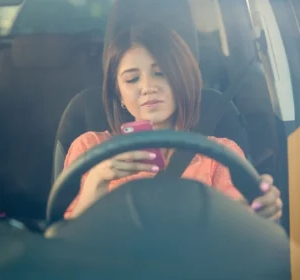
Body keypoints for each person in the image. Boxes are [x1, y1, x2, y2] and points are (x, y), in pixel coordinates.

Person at [62, 24, 283, 222]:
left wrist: (256, 210)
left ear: (182, 80)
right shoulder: (90, 148)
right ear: (118, 93)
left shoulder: (220, 154)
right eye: (132, 79)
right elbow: (67, 244)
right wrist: (98, 179)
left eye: (161, 74)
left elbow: (237, 226)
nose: (148, 87)